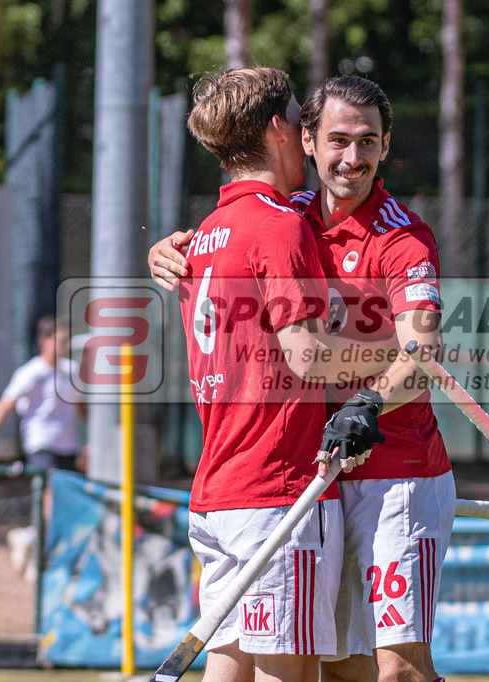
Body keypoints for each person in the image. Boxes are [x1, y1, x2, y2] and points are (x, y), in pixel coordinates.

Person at [150, 75, 453, 682]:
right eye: (339, 140)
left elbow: (420, 358)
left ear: (387, 146)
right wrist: (167, 249)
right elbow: (232, 242)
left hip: (398, 475)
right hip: (318, 477)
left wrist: (370, 399)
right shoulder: (286, 218)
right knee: (342, 668)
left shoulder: (405, 239)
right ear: (305, 141)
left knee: (397, 669)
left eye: (369, 142)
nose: (354, 158)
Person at [0, 315, 86, 579]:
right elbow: (2, 408)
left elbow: (82, 410)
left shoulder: (71, 372)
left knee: (64, 507)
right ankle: (40, 559)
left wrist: (92, 443)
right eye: (59, 340)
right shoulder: (30, 373)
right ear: (44, 341)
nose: (64, 346)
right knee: (49, 503)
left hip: (68, 448)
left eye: (66, 340)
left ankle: (29, 541)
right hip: (41, 447)